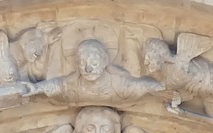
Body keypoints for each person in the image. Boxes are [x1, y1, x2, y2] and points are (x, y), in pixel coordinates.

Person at [30, 39, 160, 108]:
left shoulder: (118, 83)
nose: (88, 69)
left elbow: (141, 85)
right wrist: (36, 88)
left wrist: (163, 87)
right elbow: (56, 85)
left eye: (94, 62)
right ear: (76, 64)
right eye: (82, 62)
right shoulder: (73, 84)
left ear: (105, 61)